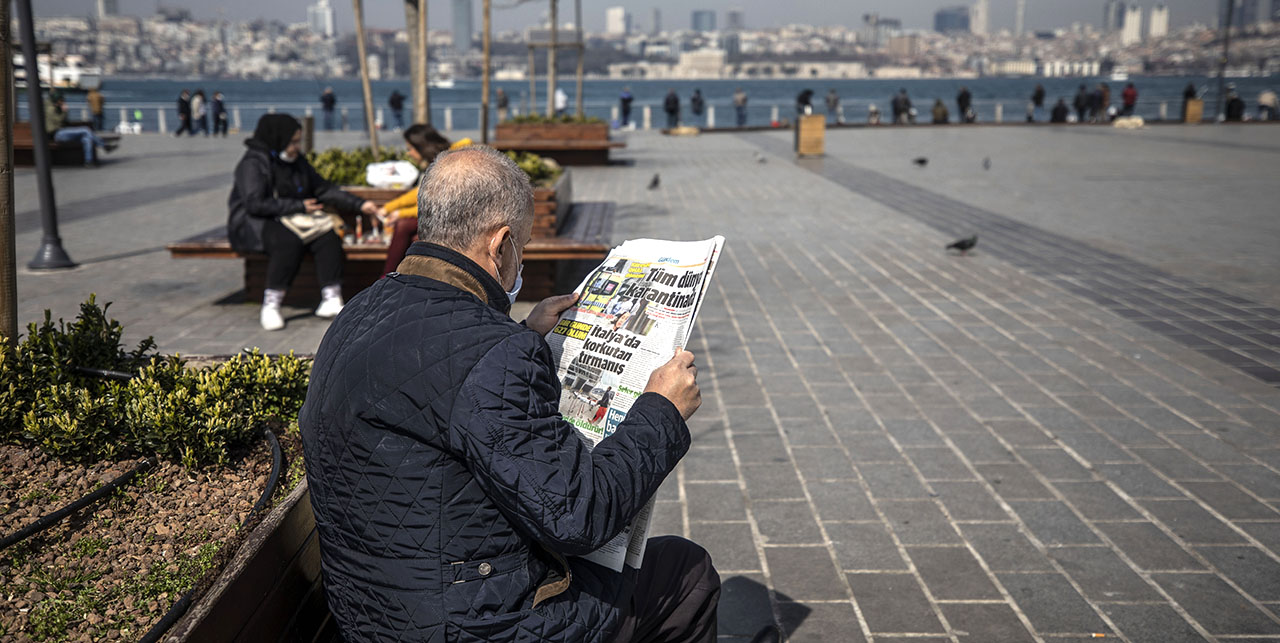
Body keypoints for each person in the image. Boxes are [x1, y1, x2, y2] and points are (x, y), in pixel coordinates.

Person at [299, 145, 725, 643]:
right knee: (686, 573)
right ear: (500, 245)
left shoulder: (361, 310)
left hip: (374, 615)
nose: (518, 256)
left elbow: (438, 383)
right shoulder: (492, 352)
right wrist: (662, 411)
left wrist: (525, 333)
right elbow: (579, 517)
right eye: (521, 243)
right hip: (475, 625)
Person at [227, 114, 379, 331]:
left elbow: (323, 189)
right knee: (288, 241)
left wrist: (360, 205)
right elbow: (254, 204)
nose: (297, 147)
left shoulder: (297, 162)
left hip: (294, 218)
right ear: (278, 139)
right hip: (258, 223)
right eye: (293, 142)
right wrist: (298, 206)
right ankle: (271, 303)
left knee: (327, 236)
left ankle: (331, 297)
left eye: (298, 141)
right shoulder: (253, 163)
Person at [377, 124, 458, 276]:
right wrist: (389, 208)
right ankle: (394, 279)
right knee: (414, 239)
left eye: (410, 148)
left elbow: (437, 204)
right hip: (439, 219)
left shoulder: (450, 161)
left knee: (403, 226)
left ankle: (387, 277)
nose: (409, 153)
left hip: (452, 218)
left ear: (422, 146)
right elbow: (421, 194)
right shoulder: (434, 165)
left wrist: (399, 213)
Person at [45, 91, 114, 167]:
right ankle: (103, 146)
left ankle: (89, 162)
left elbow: (64, 121)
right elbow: (58, 120)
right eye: (61, 100)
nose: (63, 102)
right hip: (57, 134)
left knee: (87, 139)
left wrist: (62, 111)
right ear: (57, 100)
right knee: (86, 130)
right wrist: (64, 111)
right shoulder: (50, 109)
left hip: (61, 132)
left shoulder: (55, 107)